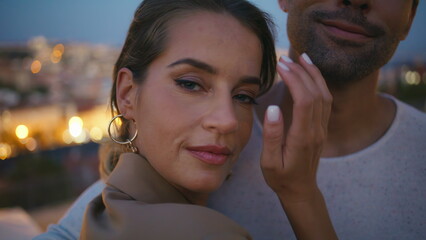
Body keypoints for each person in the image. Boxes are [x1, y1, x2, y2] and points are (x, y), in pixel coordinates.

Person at [36, 0, 426, 239]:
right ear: (127, 93)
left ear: (412, 14)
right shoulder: (177, 165)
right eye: (190, 84)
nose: (224, 120)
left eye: (243, 95)